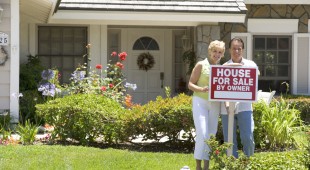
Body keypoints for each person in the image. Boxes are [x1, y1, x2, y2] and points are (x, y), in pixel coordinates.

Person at [188, 40, 226, 170]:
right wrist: (201, 89)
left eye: (220, 52)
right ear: (210, 51)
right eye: (214, 51)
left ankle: (206, 166)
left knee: (211, 135)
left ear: (222, 54)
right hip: (200, 102)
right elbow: (190, 84)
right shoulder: (201, 65)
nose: (217, 54)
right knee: (202, 133)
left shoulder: (221, 69)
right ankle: (198, 166)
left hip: (214, 103)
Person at [221, 37, 258, 158]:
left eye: (239, 49)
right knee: (230, 141)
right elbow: (222, 88)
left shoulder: (251, 65)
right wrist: (227, 104)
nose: (236, 51)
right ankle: (232, 164)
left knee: (247, 137)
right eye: (234, 49)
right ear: (229, 50)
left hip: (245, 107)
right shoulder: (224, 66)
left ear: (243, 50)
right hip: (227, 109)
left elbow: (254, 83)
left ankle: (248, 162)